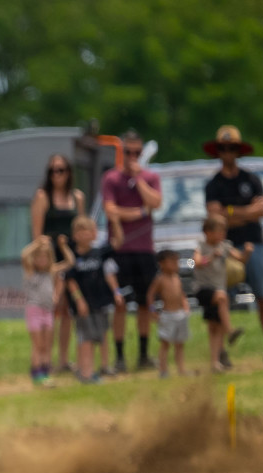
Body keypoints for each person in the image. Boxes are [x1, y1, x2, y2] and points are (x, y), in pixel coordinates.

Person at [204, 126, 263, 366]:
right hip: (225, 247)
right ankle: (220, 353)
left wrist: (230, 213)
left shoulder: (251, 180)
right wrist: (248, 212)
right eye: (223, 148)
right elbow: (215, 216)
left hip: (253, 244)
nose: (228, 152)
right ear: (218, 151)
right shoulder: (214, 185)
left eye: (232, 148)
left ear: (239, 151)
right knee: (221, 299)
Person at [101, 132, 162, 373]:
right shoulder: (111, 178)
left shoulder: (150, 177)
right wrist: (141, 212)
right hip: (120, 250)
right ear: (122, 152)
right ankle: (119, 357)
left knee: (145, 303)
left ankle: (144, 355)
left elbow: (156, 203)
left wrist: (139, 180)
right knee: (120, 304)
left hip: (144, 250)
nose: (133, 157)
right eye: (129, 152)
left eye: (137, 153)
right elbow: (110, 210)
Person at [32, 154, 83, 373]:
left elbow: (81, 227)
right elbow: (37, 235)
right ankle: (46, 359)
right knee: (51, 308)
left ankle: (64, 359)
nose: (57, 175)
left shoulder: (77, 197)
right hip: (51, 261)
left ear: (69, 172)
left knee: (68, 310)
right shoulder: (42, 196)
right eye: (53, 170)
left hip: (70, 258)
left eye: (61, 170)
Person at [61, 215, 117, 383]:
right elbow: (70, 281)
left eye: (87, 231)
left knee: (96, 338)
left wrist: (115, 221)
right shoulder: (73, 257)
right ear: (74, 235)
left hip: (99, 303)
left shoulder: (99, 253)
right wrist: (79, 300)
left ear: (93, 233)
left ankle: (90, 371)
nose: (84, 234)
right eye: (80, 231)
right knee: (85, 338)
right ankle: (85, 373)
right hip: (83, 307)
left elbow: (117, 243)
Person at [191, 216, 245, 372]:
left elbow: (241, 258)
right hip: (204, 290)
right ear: (208, 232)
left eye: (223, 231)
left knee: (215, 326)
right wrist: (211, 257)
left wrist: (247, 252)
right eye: (219, 231)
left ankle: (215, 362)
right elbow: (197, 263)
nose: (222, 234)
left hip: (218, 289)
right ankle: (230, 331)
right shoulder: (201, 246)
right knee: (222, 297)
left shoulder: (225, 246)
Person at [21, 234, 61, 386]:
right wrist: (37, 244)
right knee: (37, 344)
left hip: (47, 311)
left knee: (46, 343)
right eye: (39, 257)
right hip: (35, 311)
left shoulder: (51, 272)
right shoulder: (30, 272)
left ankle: (45, 371)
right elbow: (24, 255)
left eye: (45, 257)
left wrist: (62, 247)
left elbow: (70, 262)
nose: (42, 260)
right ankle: (37, 372)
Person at [152, 249, 190, 378]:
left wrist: (185, 306)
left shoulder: (177, 278)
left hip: (180, 314)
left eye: (176, 261)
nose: (175, 264)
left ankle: (181, 369)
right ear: (162, 263)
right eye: (172, 261)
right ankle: (163, 370)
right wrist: (153, 311)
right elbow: (150, 295)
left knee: (180, 343)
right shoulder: (160, 279)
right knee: (165, 343)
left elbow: (181, 294)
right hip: (167, 315)